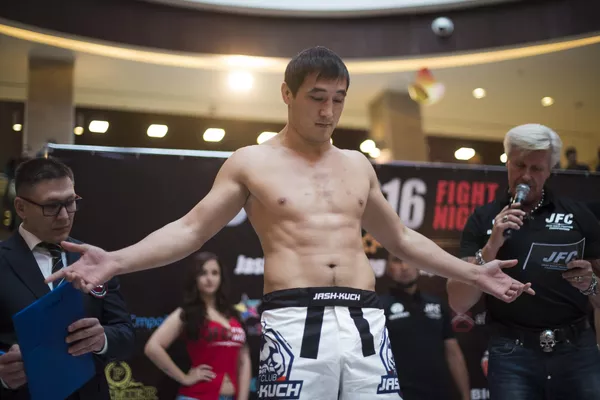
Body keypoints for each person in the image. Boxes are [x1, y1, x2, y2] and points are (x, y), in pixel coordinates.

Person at [47, 46, 533, 400]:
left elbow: (401, 238)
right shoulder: (251, 162)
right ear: (287, 93)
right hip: (295, 319)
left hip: (366, 321)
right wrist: (116, 261)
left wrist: (474, 272)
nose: (328, 111)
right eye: (317, 97)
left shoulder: (358, 164)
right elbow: (192, 229)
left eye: (338, 99)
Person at [448, 124, 600, 400]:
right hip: (511, 353)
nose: (526, 176)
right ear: (507, 161)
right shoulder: (483, 218)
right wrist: (491, 245)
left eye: (536, 168)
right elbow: (458, 301)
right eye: (519, 165)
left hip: (576, 349)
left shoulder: (579, 215)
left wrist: (591, 284)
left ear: (550, 170)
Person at [0, 157, 135, 400]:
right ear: (20, 208)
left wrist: (102, 338)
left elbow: (126, 334)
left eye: (70, 202)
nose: (64, 216)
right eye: (51, 206)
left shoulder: (93, 258)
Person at [144, 251, 251, 400]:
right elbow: (152, 347)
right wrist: (184, 378)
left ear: (221, 277)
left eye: (215, 273)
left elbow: (244, 359)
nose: (209, 278)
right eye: (203, 273)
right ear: (195, 278)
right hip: (196, 395)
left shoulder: (234, 315)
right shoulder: (187, 313)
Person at [381, 255, 470, 400]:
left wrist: (466, 396)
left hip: (439, 392)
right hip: (398, 393)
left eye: (408, 260)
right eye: (397, 260)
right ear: (388, 268)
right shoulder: (378, 308)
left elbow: (453, 353)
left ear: (418, 265)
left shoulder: (437, 304)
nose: (404, 267)